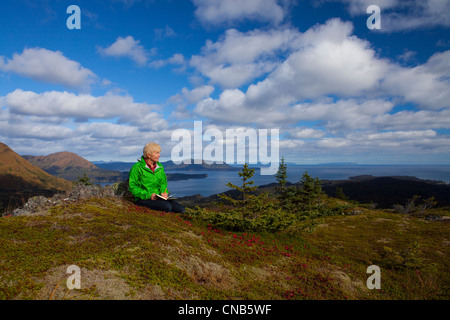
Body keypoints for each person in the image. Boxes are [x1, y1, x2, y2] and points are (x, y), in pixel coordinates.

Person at [129, 142, 185, 214]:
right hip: (143, 198)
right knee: (167, 207)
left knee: (181, 209)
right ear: (149, 155)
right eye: (157, 153)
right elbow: (132, 187)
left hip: (159, 198)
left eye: (159, 153)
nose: (159, 155)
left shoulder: (160, 167)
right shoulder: (137, 167)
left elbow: (163, 183)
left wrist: (164, 192)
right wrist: (149, 195)